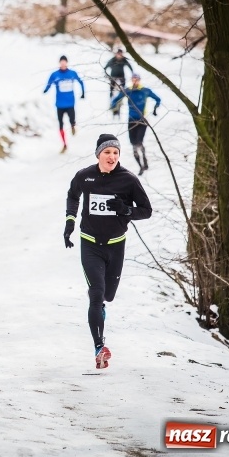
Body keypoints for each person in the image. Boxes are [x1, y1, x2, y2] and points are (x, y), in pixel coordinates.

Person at [63, 134, 152, 369]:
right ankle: (99, 347)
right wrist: (70, 223)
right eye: (107, 152)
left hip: (116, 245)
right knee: (96, 292)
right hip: (90, 244)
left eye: (115, 152)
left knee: (107, 296)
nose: (112, 156)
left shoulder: (129, 180)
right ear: (98, 155)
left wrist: (126, 210)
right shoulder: (85, 176)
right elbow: (73, 195)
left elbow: (146, 210)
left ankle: (100, 309)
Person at [109, 73, 161, 175]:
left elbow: (158, 99)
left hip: (142, 120)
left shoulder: (145, 91)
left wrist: (155, 109)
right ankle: (141, 166)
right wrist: (114, 107)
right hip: (131, 120)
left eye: (137, 79)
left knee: (139, 142)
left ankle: (144, 159)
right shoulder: (128, 90)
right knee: (133, 144)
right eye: (133, 79)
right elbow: (116, 99)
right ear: (131, 80)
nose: (135, 81)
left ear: (139, 80)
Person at [43, 55, 85, 153]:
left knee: (72, 120)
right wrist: (46, 89)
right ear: (59, 63)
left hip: (70, 103)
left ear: (66, 63)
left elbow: (81, 82)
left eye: (64, 62)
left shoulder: (72, 73)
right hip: (60, 105)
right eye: (61, 62)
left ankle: (73, 126)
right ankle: (64, 144)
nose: (63, 64)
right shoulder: (55, 74)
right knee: (60, 125)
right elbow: (49, 83)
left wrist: (83, 93)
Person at [103, 48, 134, 117]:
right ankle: (111, 101)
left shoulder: (124, 60)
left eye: (121, 54)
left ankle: (121, 100)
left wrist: (132, 74)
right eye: (118, 54)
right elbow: (105, 67)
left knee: (123, 90)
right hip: (113, 77)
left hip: (121, 77)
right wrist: (106, 75)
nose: (119, 56)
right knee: (111, 90)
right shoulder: (112, 60)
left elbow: (130, 67)